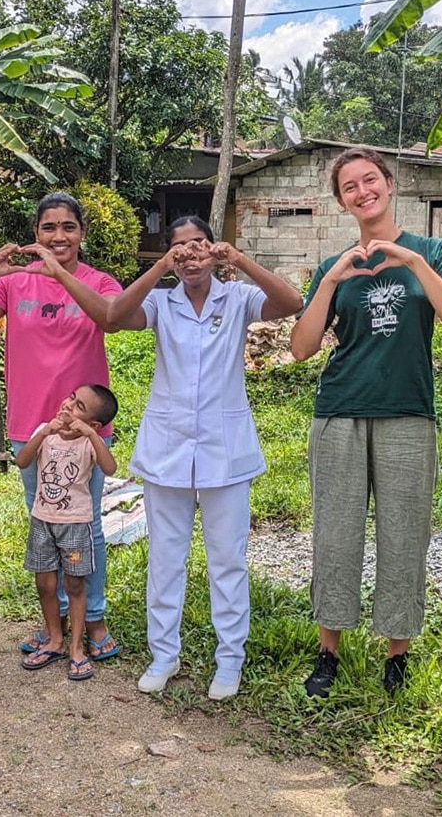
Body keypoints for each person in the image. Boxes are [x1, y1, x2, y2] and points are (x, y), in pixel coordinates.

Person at [290, 147, 442, 699]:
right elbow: (300, 348)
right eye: (350, 186)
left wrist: (412, 263)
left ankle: (397, 654)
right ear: (342, 199)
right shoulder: (335, 266)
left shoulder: (433, 251)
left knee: (404, 535)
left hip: (408, 413)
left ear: (389, 184)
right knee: (336, 535)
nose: (363, 191)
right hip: (340, 411)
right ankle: (328, 651)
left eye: (371, 180)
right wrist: (329, 282)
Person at [96, 216, 303, 699]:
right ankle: (163, 655)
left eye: (198, 244)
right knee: (166, 560)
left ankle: (229, 660)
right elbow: (112, 317)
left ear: (212, 249)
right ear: (169, 254)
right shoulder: (159, 303)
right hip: (167, 449)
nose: (189, 254)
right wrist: (159, 270)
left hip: (224, 450)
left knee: (227, 561)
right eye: (178, 247)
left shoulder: (237, 299)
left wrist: (239, 260)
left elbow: (291, 302)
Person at [0, 192, 123, 661]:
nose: (58, 236)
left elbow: (114, 318)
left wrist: (60, 273)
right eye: (49, 227)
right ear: (35, 233)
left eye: (68, 227)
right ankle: (58, 625)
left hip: (86, 433)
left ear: (82, 233)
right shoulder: (14, 285)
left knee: (87, 529)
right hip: (33, 430)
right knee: (46, 526)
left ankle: (96, 619)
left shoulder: (99, 281)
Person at [15, 384, 118, 680]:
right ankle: (55, 640)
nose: (69, 405)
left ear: (93, 424)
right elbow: (22, 462)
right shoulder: (45, 432)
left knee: (75, 585)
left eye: (79, 407)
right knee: (45, 584)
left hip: (75, 526)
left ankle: (76, 648)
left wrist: (91, 436)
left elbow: (110, 468)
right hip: (42, 523)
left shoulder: (89, 443)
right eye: (72, 398)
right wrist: (45, 432)